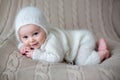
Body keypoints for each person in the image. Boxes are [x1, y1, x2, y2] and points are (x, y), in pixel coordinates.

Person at [14, 6, 110, 65]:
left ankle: (102, 53)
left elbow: (56, 58)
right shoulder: (33, 41)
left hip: (82, 41)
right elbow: (22, 43)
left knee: (82, 62)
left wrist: (37, 55)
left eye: (35, 34)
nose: (31, 40)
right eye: (25, 37)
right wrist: (22, 46)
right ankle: (96, 44)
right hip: (81, 39)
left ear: (44, 29)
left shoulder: (51, 40)